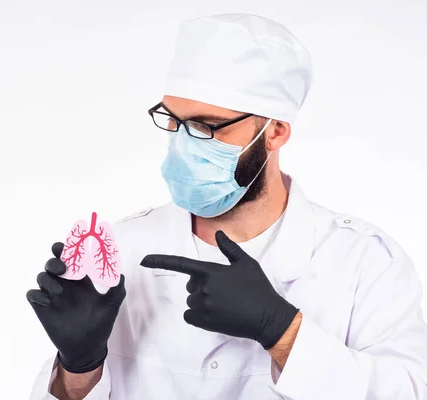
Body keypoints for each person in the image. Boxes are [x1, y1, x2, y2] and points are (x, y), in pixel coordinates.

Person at [26, 13, 427, 399]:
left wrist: (282, 330)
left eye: (206, 126)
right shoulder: (124, 249)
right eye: (175, 121)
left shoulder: (364, 261)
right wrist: (78, 367)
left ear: (275, 131)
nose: (183, 144)